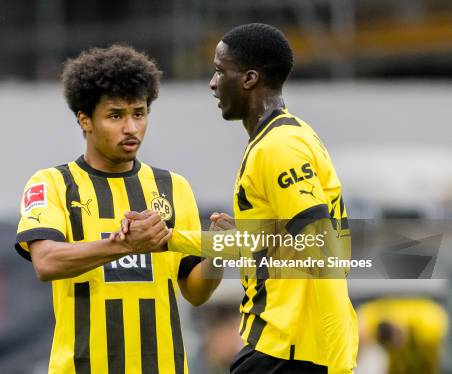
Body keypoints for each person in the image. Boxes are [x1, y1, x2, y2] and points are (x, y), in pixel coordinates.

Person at [117, 24, 358, 373]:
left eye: (219, 70)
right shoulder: (287, 136)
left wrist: (340, 366)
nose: (213, 83)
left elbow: (323, 256)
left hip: (291, 355)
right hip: (284, 350)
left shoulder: (278, 148)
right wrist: (168, 239)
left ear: (248, 79)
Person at [14, 44, 221, 373]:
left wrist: (218, 254)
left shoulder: (173, 187)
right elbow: (46, 261)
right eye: (115, 116)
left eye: (139, 113)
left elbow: (194, 291)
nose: (131, 128)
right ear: (85, 120)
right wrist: (122, 244)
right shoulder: (53, 183)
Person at [357, 298, 448, 374]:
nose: (395, 339)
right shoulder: (371, 317)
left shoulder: (428, 322)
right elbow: (362, 324)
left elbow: (438, 321)